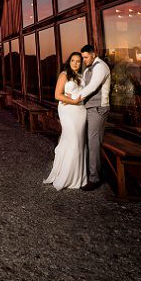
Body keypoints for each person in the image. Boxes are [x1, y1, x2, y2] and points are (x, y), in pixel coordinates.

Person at [43, 52, 87, 190]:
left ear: (81, 63)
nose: (75, 63)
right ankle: (66, 177)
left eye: (78, 61)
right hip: (68, 111)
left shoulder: (82, 76)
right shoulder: (64, 74)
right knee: (73, 139)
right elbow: (57, 95)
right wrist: (72, 100)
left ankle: (78, 177)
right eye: (73, 60)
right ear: (69, 62)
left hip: (81, 111)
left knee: (78, 142)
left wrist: (80, 99)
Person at [77, 44, 112, 191]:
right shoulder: (88, 69)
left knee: (93, 143)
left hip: (98, 109)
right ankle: (89, 172)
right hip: (88, 108)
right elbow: (84, 85)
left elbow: (92, 87)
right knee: (85, 140)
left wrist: (74, 98)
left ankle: (95, 178)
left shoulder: (101, 67)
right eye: (83, 57)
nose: (84, 60)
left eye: (86, 57)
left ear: (93, 54)